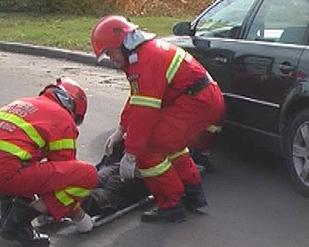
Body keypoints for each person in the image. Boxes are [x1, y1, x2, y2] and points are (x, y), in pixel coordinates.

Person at [90, 15, 225, 223]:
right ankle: (192, 192)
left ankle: (171, 204)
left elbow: (145, 113)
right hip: (199, 101)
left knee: (149, 149)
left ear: (122, 44)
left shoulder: (145, 60)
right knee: (170, 145)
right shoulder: (143, 54)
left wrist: (133, 153)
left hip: (195, 104)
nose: (111, 59)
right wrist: (121, 128)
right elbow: (137, 98)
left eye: (109, 52)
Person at [0, 77, 98, 247]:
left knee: (23, 163)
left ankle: (7, 219)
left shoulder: (26, 103)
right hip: (2, 171)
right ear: (74, 109)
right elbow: (63, 176)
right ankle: (17, 225)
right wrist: (75, 214)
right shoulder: (63, 118)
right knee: (87, 174)